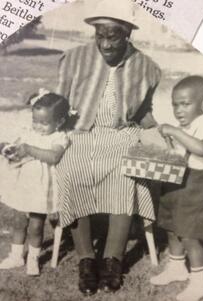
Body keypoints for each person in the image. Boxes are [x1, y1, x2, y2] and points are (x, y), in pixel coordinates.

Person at [56, 0, 161, 295]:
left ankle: (113, 259)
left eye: (112, 36)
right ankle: (87, 259)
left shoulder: (146, 67)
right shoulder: (74, 59)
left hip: (122, 135)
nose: (105, 44)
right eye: (99, 36)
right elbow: (59, 103)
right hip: (80, 134)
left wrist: (160, 130)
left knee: (124, 178)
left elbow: (144, 112)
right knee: (73, 172)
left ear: (128, 34)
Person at [150, 76, 203, 301]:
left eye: (185, 104)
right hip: (175, 183)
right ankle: (177, 267)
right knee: (171, 228)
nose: (179, 110)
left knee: (189, 234)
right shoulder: (183, 127)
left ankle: (201, 283)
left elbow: (200, 149)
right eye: (175, 104)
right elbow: (178, 153)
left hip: (195, 185)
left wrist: (175, 132)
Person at [0, 92, 70, 276]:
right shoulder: (28, 133)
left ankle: (33, 257)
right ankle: (16, 256)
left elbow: (54, 157)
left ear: (59, 122)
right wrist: (9, 150)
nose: (38, 127)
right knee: (18, 221)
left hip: (41, 187)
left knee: (36, 225)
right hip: (23, 184)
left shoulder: (58, 137)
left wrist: (30, 149)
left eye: (44, 123)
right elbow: (18, 150)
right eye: (35, 121)